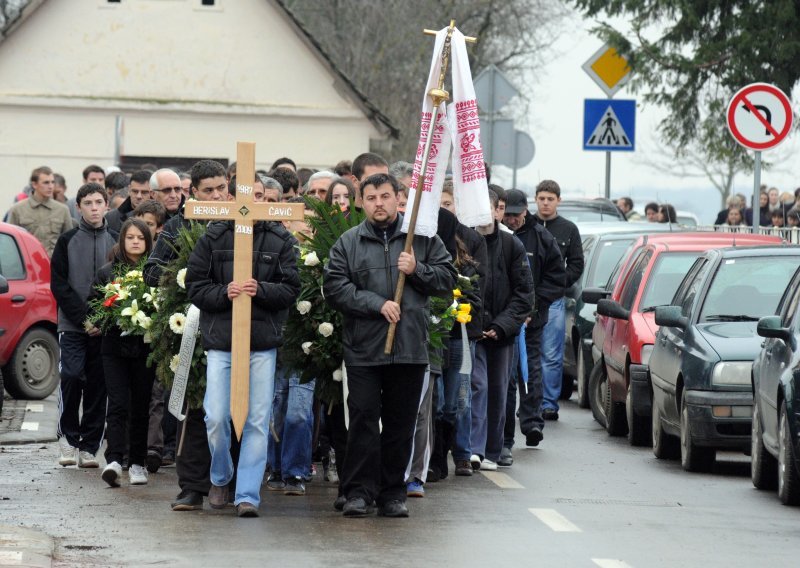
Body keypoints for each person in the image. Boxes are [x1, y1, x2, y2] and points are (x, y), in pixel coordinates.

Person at [323, 172, 456, 518]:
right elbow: (335, 287)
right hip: (364, 349)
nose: (379, 203)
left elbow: (446, 281)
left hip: (409, 347)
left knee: (400, 424)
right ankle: (357, 491)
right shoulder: (349, 242)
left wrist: (417, 269)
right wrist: (375, 304)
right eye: (371, 198)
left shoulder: (422, 239)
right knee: (364, 420)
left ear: (398, 198)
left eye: (385, 196)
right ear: (361, 202)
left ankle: (392, 493)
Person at [185, 193, 300, 518]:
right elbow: (195, 285)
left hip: (262, 342)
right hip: (222, 340)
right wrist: (224, 292)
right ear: (232, 198)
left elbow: (291, 288)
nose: (256, 201)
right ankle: (220, 477)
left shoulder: (280, 238)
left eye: (263, 196)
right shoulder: (215, 235)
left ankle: (248, 494)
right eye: (250, 195)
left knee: (257, 420)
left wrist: (260, 289)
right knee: (216, 416)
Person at [144, 159, 230, 511]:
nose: (216, 195)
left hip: (238, 329)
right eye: (207, 190)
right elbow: (151, 270)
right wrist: (180, 277)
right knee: (195, 410)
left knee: (232, 411)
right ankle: (192, 486)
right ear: (193, 193)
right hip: (193, 329)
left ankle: (227, 482)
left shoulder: (243, 222)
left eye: (221, 188)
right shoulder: (179, 225)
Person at [50, 183, 116, 468]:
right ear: (78, 207)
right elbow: (59, 285)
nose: (93, 208)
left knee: (99, 386)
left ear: (106, 205)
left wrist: (102, 319)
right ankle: (68, 437)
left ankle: (90, 445)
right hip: (73, 326)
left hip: (105, 327)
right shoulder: (67, 240)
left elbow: (119, 284)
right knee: (72, 376)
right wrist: (83, 319)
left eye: (98, 202)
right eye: (87, 203)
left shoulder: (115, 241)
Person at [468, 190, 534, 470]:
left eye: (490, 209)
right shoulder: (465, 242)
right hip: (471, 330)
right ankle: (473, 447)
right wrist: (475, 323)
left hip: (502, 333)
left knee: (498, 389)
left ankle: (493, 451)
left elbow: (524, 294)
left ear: (498, 211)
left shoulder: (511, 245)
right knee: (476, 385)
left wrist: (501, 325)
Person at [502, 188, 565, 456]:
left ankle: (532, 424)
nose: (512, 219)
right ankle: (503, 431)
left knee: (531, 371)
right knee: (507, 375)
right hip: (503, 319)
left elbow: (556, 277)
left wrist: (535, 307)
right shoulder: (496, 235)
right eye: (508, 214)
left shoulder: (541, 238)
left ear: (525, 211)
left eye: (516, 215)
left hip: (532, 320)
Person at [94, 218, 155, 487]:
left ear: (148, 242)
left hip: (145, 348)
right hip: (114, 348)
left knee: (141, 406)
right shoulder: (107, 273)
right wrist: (107, 315)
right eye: (130, 237)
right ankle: (115, 459)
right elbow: (93, 307)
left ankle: (138, 463)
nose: (135, 242)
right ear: (122, 240)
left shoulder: (154, 272)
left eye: (140, 238)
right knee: (117, 404)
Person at [529, 180, 583, 420]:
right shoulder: (527, 225)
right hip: (525, 299)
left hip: (553, 301)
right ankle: (528, 400)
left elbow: (576, 263)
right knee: (526, 351)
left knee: (551, 354)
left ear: (558, 201)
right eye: (542, 198)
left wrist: (559, 283)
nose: (546, 203)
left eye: (550, 199)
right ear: (535, 199)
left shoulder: (568, 229)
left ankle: (549, 403)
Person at [6, 166, 74, 256]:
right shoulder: (18, 209)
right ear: (34, 184)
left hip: (53, 264)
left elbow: (70, 242)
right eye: (46, 183)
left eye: (52, 182)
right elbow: (9, 242)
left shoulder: (62, 210)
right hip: (28, 264)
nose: (50, 186)